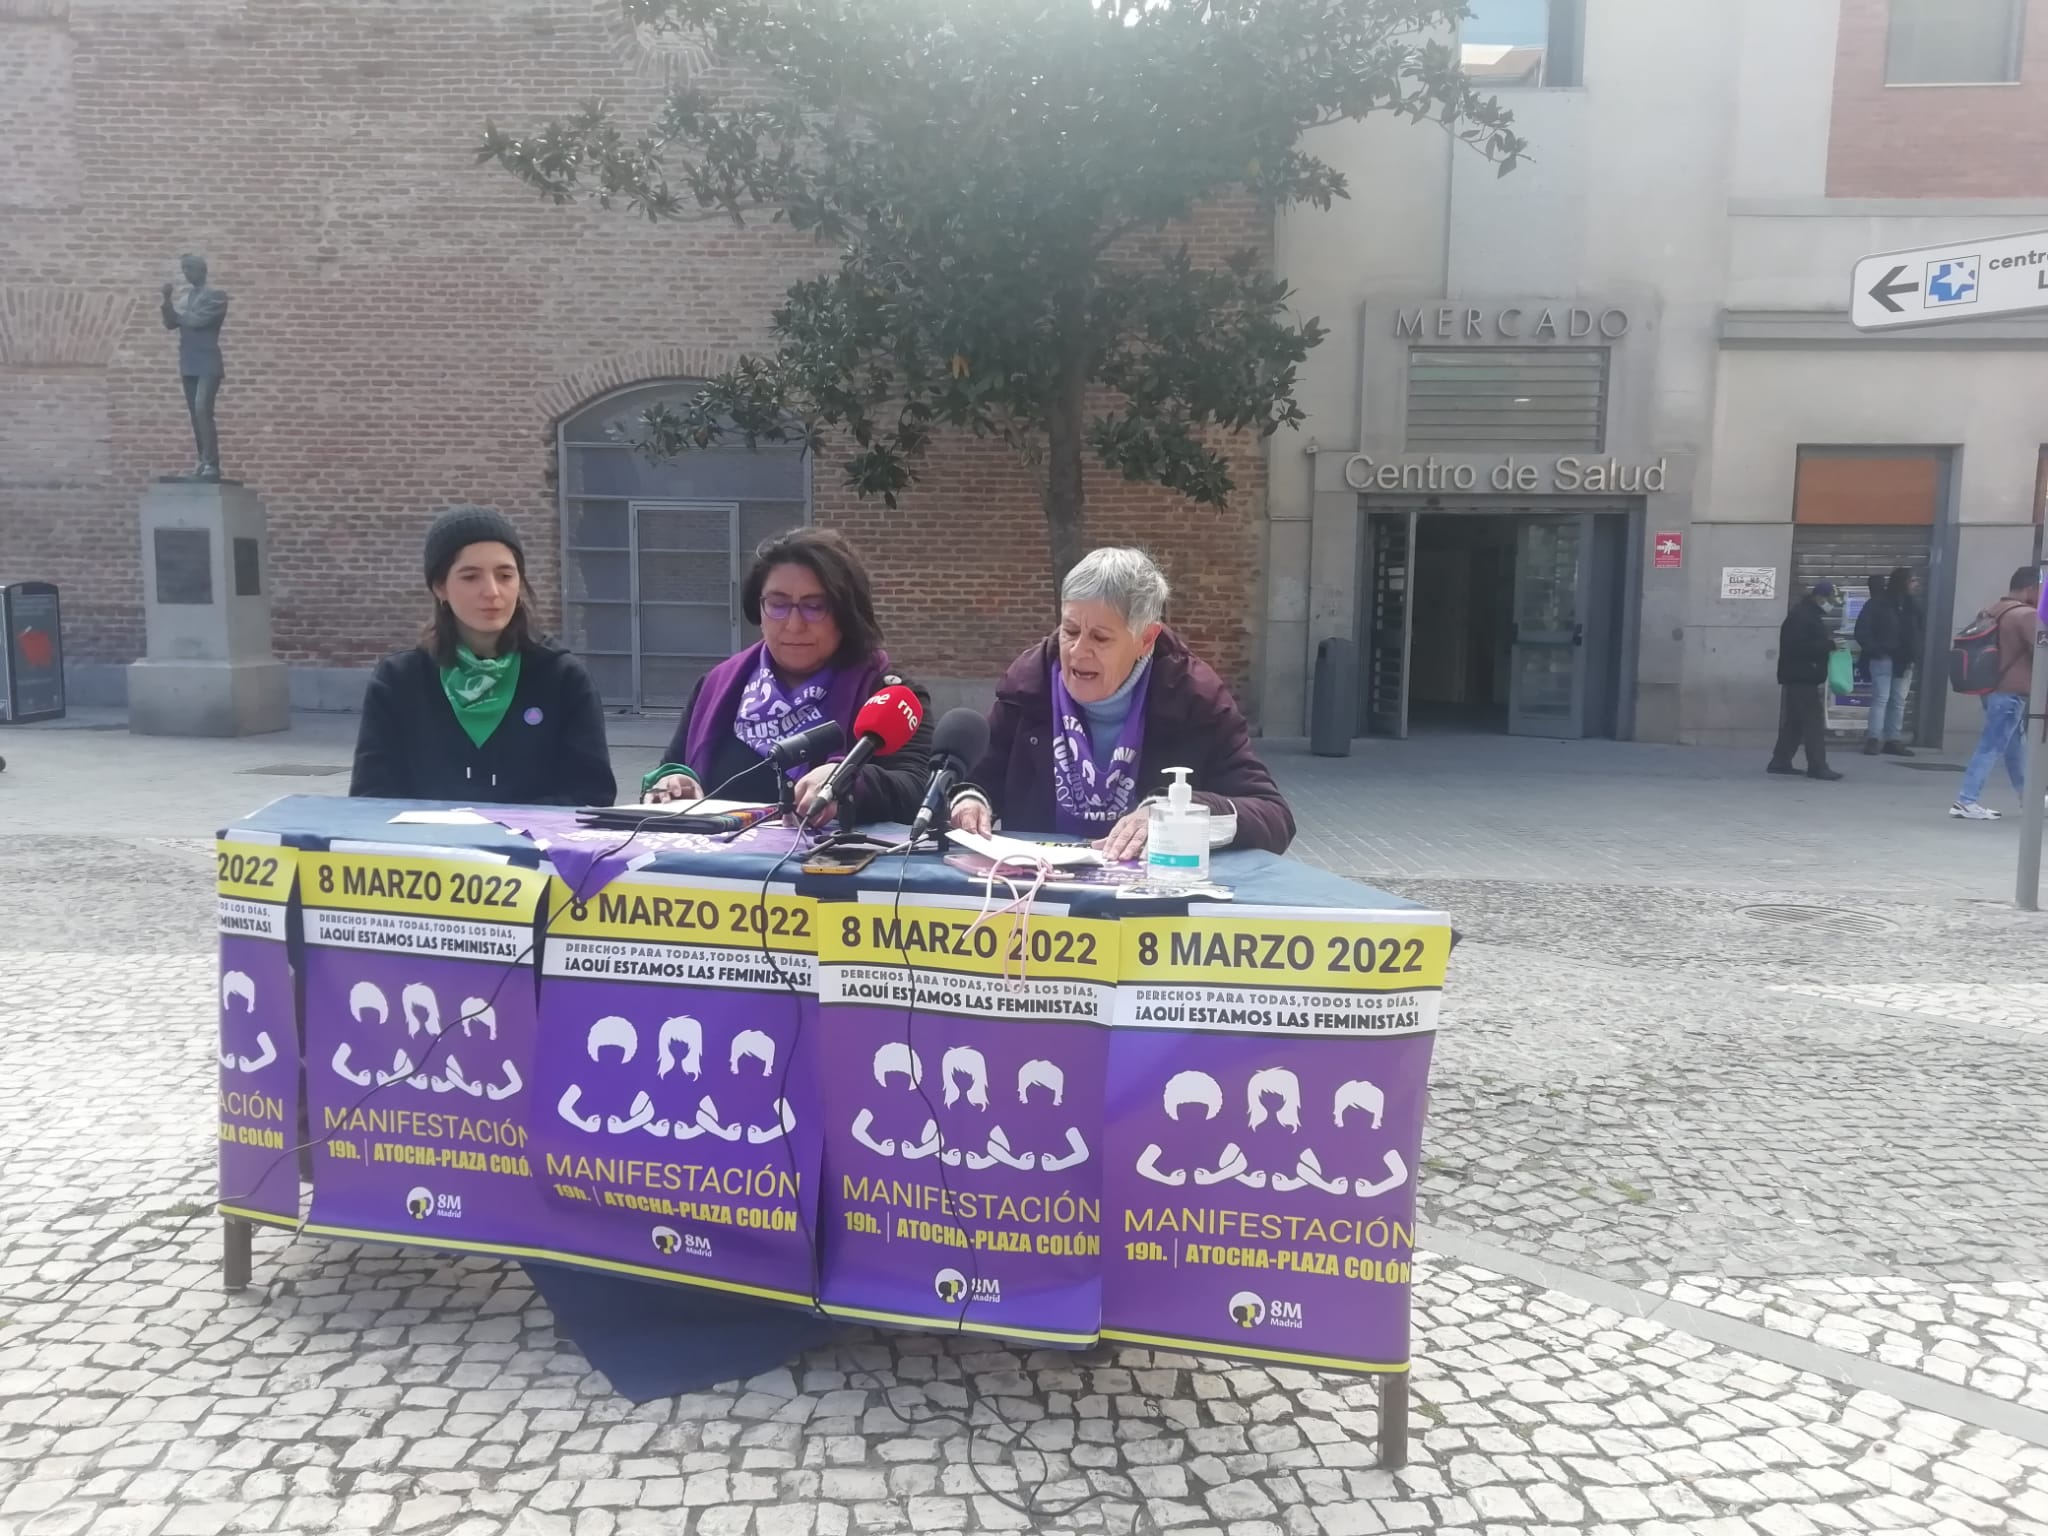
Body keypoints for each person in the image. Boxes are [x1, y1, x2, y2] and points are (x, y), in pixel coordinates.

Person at [949, 547, 1295, 858]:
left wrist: (1177, 814)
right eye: (1069, 630)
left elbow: (1273, 817)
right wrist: (968, 800)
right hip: (1035, 899)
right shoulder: (1028, 688)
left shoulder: (1195, 698)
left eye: (1100, 637)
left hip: (1150, 906)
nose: (1077, 651)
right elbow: (972, 781)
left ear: (1146, 640)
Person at [641, 528, 933, 823]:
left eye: (815, 607)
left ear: (847, 612)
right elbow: (673, 767)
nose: (794, 625)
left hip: (826, 866)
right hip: (716, 865)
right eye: (778, 604)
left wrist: (848, 780)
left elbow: (919, 791)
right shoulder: (717, 686)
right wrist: (674, 785)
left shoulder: (889, 696)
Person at [351, 506, 616, 805]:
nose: (492, 592)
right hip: (426, 848)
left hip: (532, 849)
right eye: (470, 577)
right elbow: (370, 798)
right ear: (440, 587)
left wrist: (506, 830)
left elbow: (593, 795)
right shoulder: (399, 682)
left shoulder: (563, 678)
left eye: (505, 575)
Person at [1951, 565, 2042, 821]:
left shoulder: (1992, 609)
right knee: (1991, 745)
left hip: (1991, 687)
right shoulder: (2026, 615)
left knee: (2014, 747)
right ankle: (1966, 800)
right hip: (2010, 690)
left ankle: (2029, 798)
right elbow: (2042, 651)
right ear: (2031, 588)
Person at [160, 253, 228, 481]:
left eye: (189, 269)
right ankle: (203, 462)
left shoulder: (216, 296)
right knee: (194, 415)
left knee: (202, 410)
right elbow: (171, 323)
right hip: (189, 362)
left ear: (201, 270)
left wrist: (179, 316)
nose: (187, 274)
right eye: (184, 270)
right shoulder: (186, 299)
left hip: (208, 362)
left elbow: (198, 321)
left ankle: (212, 464)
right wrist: (167, 301)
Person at [1767, 580, 1843, 781]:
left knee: (1795, 721)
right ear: (1819, 597)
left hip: (1800, 675)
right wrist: (1829, 645)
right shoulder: (1802, 617)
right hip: (1801, 676)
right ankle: (1817, 766)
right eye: (1829, 600)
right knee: (1812, 722)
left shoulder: (1808, 615)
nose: (1831, 605)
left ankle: (1780, 761)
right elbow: (1798, 648)